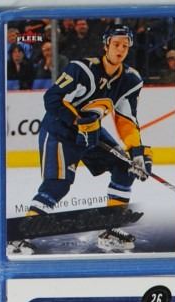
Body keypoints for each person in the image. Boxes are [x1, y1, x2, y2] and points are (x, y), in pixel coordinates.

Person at [8, 24, 154, 256]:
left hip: (91, 132)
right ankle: (21, 234)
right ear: (106, 45)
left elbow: (126, 120)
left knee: (124, 166)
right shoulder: (82, 69)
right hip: (60, 130)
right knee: (58, 185)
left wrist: (136, 151)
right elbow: (52, 99)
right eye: (116, 44)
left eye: (125, 46)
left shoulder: (130, 80)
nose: (120, 49)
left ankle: (111, 227)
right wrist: (77, 121)